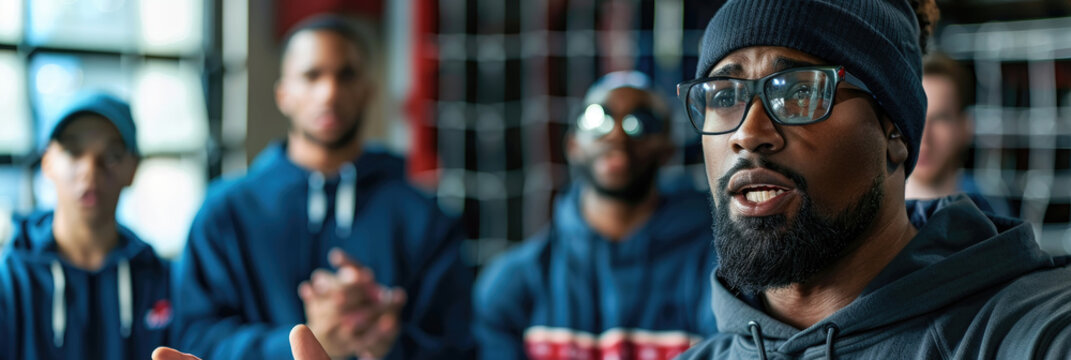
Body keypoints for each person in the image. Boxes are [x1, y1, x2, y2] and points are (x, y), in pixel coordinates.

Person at [676, 0, 1071, 358]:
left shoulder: (1030, 332)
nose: (748, 133)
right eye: (724, 97)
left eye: (801, 90)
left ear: (894, 132)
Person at [171, 15, 473, 360]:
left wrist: (387, 343)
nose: (329, 92)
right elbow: (194, 342)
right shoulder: (224, 213)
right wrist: (304, 345)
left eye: (346, 75)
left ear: (368, 92)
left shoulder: (425, 218)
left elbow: (457, 346)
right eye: (312, 75)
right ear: (284, 94)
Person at [473, 72, 718, 360]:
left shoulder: (713, 273)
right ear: (573, 144)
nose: (616, 134)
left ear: (666, 150)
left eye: (641, 122)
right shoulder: (513, 281)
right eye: (597, 118)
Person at [0, 92, 172, 359]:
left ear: (133, 168)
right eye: (73, 151)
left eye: (112, 155)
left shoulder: (161, 280)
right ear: (47, 162)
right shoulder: (10, 281)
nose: (90, 170)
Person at [907, 51, 1011, 216]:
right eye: (915, 118)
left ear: (965, 127)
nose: (924, 137)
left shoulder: (990, 211)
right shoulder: (872, 211)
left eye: (940, 119)